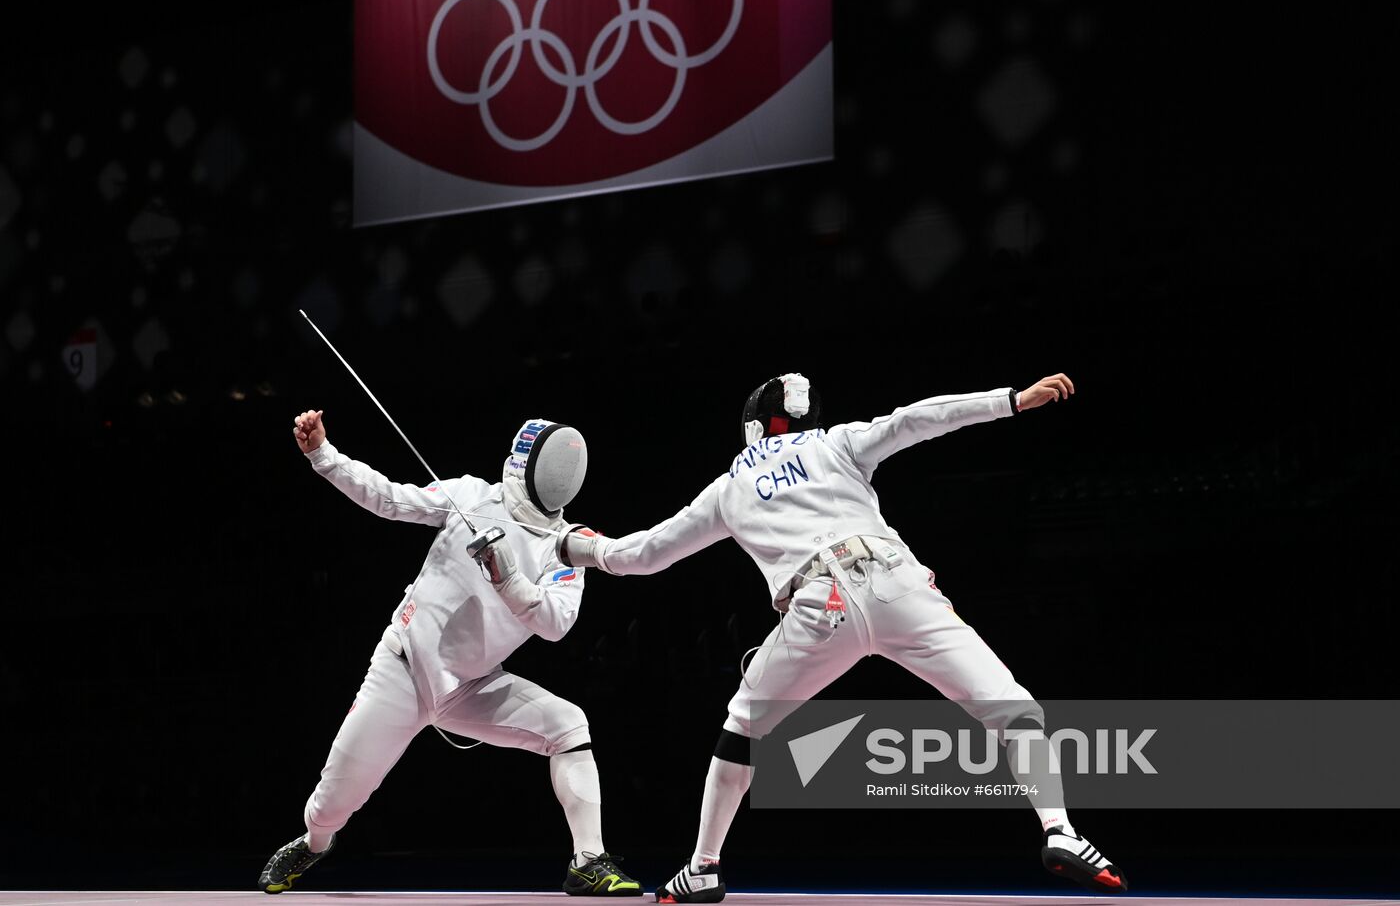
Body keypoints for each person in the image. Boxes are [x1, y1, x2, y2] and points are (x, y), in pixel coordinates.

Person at [559, 373, 1126, 902]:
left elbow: (643, 556)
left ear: (753, 425)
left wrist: (572, 547)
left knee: (743, 727)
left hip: (818, 606)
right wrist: (1010, 401)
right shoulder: (836, 443)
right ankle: (1061, 830)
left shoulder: (729, 487)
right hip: (900, 587)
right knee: (1012, 708)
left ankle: (703, 868)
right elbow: (915, 420)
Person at [257, 410, 641, 896]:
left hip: (472, 686)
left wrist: (506, 576)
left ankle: (589, 861)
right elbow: (390, 499)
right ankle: (314, 843)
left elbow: (555, 624)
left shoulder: (564, 547)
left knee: (569, 725)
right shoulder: (470, 497)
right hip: (403, 668)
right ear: (523, 465)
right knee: (333, 802)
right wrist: (323, 456)